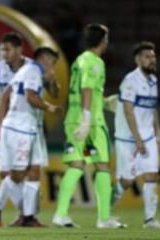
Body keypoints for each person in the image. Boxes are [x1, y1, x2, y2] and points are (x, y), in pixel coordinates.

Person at [52, 23, 126, 228]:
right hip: (91, 122)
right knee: (102, 165)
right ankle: (103, 219)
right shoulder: (95, 62)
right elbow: (86, 88)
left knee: (76, 165)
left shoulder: (79, 60)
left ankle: (60, 214)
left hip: (73, 119)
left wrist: (103, 102)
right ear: (104, 41)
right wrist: (87, 118)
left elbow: (83, 91)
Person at [0, 47, 60, 227]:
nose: (53, 65)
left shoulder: (29, 71)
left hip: (29, 128)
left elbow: (6, 96)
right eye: (52, 61)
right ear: (44, 58)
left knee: (34, 171)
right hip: (21, 128)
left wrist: (52, 78)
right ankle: (25, 212)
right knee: (18, 174)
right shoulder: (32, 71)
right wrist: (50, 108)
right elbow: (30, 97)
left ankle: (28, 216)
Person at [113, 41, 160, 229]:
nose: (152, 60)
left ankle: (150, 220)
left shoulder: (154, 81)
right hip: (128, 137)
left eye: (153, 57)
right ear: (138, 60)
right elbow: (128, 111)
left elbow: (152, 109)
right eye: (147, 57)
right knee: (127, 181)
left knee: (152, 175)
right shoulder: (130, 80)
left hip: (148, 135)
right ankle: (107, 208)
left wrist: (159, 134)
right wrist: (137, 139)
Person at [0, 32, 32, 227]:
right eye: (2, 49)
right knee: (8, 171)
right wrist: (4, 106)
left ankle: (14, 213)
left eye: (7, 49)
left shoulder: (31, 68)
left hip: (28, 126)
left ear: (19, 49)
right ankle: (23, 214)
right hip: (6, 124)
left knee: (23, 173)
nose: (3, 53)